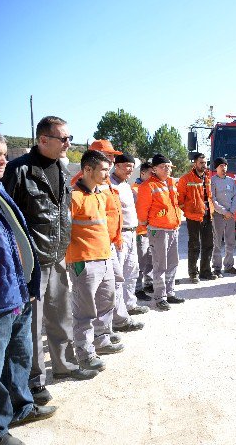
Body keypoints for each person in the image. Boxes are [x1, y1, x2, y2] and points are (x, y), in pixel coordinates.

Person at [2, 116, 97, 408]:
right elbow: (8, 221)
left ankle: (64, 365)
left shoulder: (61, 166)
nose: (69, 144)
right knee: (32, 323)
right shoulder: (19, 171)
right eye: (63, 139)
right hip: (30, 262)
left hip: (56, 257)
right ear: (43, 140)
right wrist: (18, 259)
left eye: (70, 138)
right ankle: (34, 380)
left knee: (60, 313)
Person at [0, 129, 56, 445]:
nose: (4, 159)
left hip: (16, 292)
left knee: (19, 360)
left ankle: (21, 408)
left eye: (4, 153)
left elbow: (16, 240)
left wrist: (28, 284)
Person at [66, 150, 123, 372]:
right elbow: (64, 232)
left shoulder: (100, 194)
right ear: (87, 170)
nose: (107, 174)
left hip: (105, 258)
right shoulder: (74, 197)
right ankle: (85, 353)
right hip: (83, 262)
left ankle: (101, 340)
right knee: (84, 311)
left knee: (107, 301)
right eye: (103, 170)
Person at [83, 141, 144, 335]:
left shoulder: (117, 184)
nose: (111, 159)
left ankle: (126, 309)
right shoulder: (94, 183)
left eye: (112, 156)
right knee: (113, 282)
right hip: (112, 239)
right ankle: (115, 322)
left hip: (128, 233)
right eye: (108, 156)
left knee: (130, 273)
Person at [136, 154, 183, 311]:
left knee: (172, 263)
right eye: (164, 167)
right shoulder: (147, 186)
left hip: (173, 229)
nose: (167, 169)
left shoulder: (170, 183)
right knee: (160, 264)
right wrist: (145, 227)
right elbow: (142, 212)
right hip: (158, 230)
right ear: (154, 169)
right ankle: (159, 297)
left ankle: (170, 293)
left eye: (169, 167)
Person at [110, 154, 149, 317]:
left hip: (132, 233)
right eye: (127, 165)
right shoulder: (110, 185)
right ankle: (117, 314)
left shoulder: (126, 185)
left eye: (132, 166)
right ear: (116, 166)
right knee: (118, 276)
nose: (130, 169)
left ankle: (129, 305)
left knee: (132, 271)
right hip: (119, 236)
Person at [177, 153, 216, 283]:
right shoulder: (185, 179)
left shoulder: (208, 178)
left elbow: (210, 197)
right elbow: (180, 200)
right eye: (201, 163)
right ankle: (193, 273)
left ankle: (206, 271)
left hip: (207, 215)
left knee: (208, 244)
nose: (204, 165)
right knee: (194, 245)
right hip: (193, 217)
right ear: (195, 163)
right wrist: (190, 211)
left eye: (205, 163)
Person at [210, 157, 236, 278]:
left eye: (225, 165)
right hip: (218, 215)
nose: (224, 168)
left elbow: (235, 196)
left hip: (230, 216)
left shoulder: (231, 181)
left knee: (230, 241)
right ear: (216, 168)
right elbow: (213, 199)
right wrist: (224, 212)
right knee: (217, 242)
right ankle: (217, 268)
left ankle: (229, 266)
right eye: (221, 166)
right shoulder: (212, 181)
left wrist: (231, 211)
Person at [132, 162, 153, 301]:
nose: (153, 176)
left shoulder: (150, 186)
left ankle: (149, 283)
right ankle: (137, 288)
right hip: (140, 231)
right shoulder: (134, 189)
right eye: (151, 173)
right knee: (141, 260)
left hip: (151, 229)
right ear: (143, 173)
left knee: (150, 258)